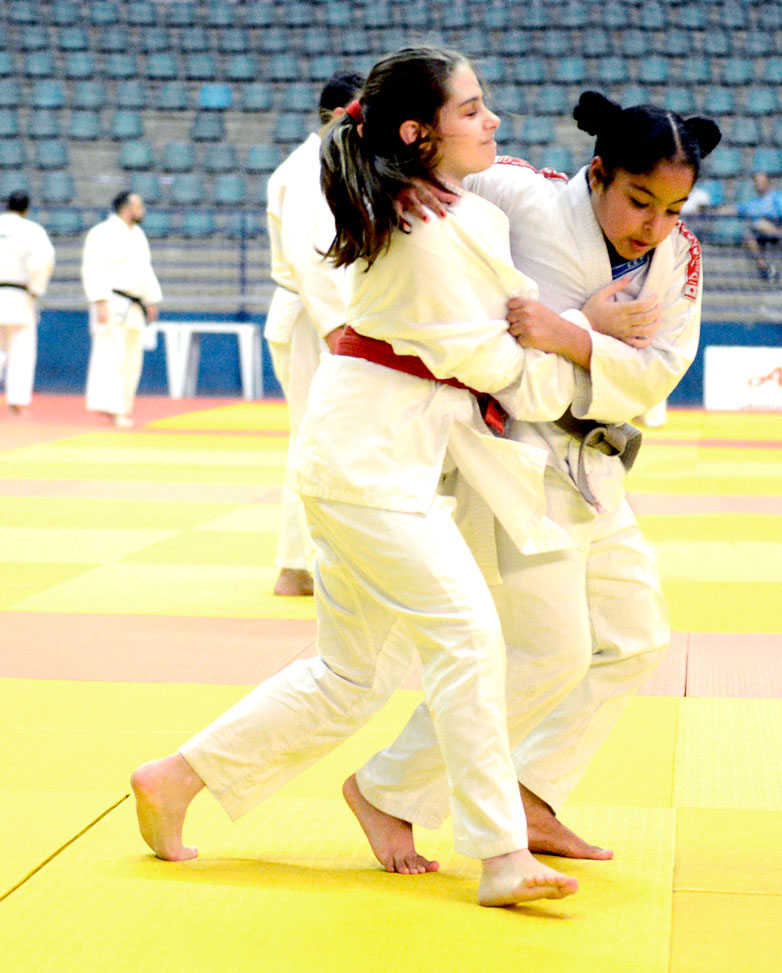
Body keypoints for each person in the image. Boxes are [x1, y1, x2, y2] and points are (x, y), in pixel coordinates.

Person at [130, 45, 606, 908]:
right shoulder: (435, 231)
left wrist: (566, 337)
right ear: (418, 133)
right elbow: (508, 368)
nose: (491, 119)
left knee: (349, 677)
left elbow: (497, 354)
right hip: (369, 473)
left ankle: (176, 777)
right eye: (471, 109)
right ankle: (501, 853)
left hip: (360, 460)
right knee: (468, 638)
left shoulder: (424, 208)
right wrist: (585, 337)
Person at [347, 92, 720, 868]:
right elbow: (426, 202)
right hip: (513, 452)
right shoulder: (520, 192)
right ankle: (388, 789)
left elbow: (657, 374)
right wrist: (573, 324)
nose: (652, 224)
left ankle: (535, 794)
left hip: (599, 455)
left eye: (674, 206)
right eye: (639, 200)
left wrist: (568, 335)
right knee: (547, 652)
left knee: (638, 639)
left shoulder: (678, 257)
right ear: (598, 172)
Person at [264, 69, 364, 597]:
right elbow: (312, 261)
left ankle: (314, 560)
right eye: (359, 115)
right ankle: (296, 565)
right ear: (333, 117)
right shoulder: (309, 168)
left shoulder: (332, 164)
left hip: (324, 314)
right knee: (313, 436)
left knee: (328, 437)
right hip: (312, 315)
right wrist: (337, 331)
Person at [82, 191, 161, 428]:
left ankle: (123, 408)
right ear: (126, 208)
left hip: (134, 304)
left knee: (132, 360)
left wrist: (151, 299)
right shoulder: (102, 233)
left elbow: (145, 270)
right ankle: (113, 409)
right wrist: (99, 301)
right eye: (139, 206)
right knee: (111, 357)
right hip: (111, 301)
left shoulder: (138, 235)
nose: (143, 210)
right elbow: (93, 267)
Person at [0, 191, 55, 413]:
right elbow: (43, 262)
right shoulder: (32, 230)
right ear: (26, 209)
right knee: (21, 350)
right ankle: (17, 402)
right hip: (19, 295)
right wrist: (35, 290)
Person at [737, 171, 782, 280]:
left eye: (761, 181)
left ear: (768, 182)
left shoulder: (777, 197)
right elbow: (735, 210)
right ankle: (763, 267)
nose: (759, 184)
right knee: (750, 232)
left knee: (759, 223)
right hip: (762, 232)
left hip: (778, 223)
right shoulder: (751, 203)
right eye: (757, 182)